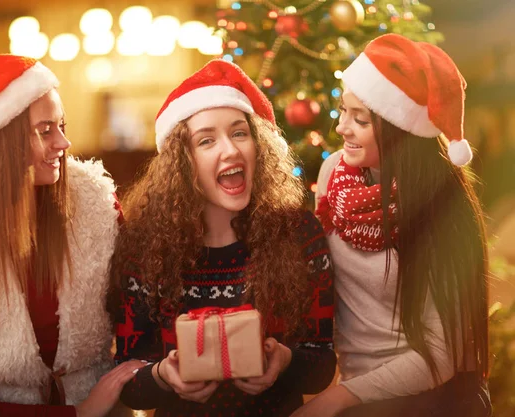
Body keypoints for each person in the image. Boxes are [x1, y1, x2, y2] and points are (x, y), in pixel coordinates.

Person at [0, 55, 144, 417]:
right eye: (45, 130)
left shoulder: (97, 202)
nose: (64, 142)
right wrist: (76, 414)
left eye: (62, 125)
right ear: (1, 138)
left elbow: (137, 314)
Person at [108, 59, 336, 417]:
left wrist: (284, 361)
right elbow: (129, 384)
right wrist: (163, 375)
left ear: (258, 145)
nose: (230, 151)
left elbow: (322, 365)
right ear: (181, 162)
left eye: (239, 132)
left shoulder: (300, 234)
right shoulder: (143, 247)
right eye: (207, 140)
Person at [291, 34, 492, 417]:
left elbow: (439, 354)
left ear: (400, 130)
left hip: (426, 400)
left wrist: (339, 397)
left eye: (360, 119)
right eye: (342, 111)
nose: (341, 128)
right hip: (355, 393)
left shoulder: (440, 207)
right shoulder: (334, 171)